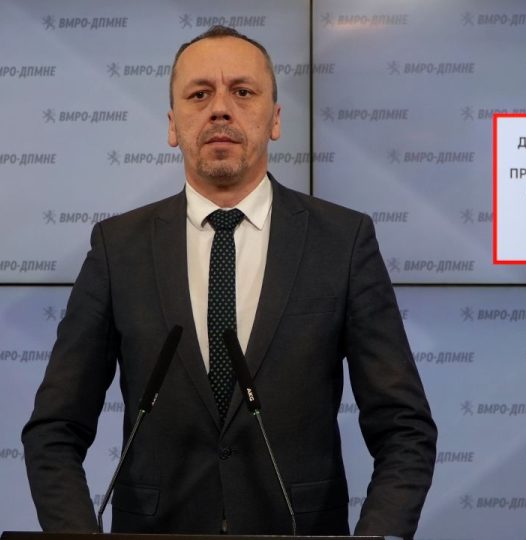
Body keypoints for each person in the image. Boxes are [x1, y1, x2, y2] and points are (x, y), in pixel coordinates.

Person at [22, 25, 437, 539]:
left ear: (275, 119)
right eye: (199, 95)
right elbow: (54, 430)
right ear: (173, 125)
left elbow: (404, 429)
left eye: (242, 91)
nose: (220, 109)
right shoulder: (118, 247)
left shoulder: (343, 241)